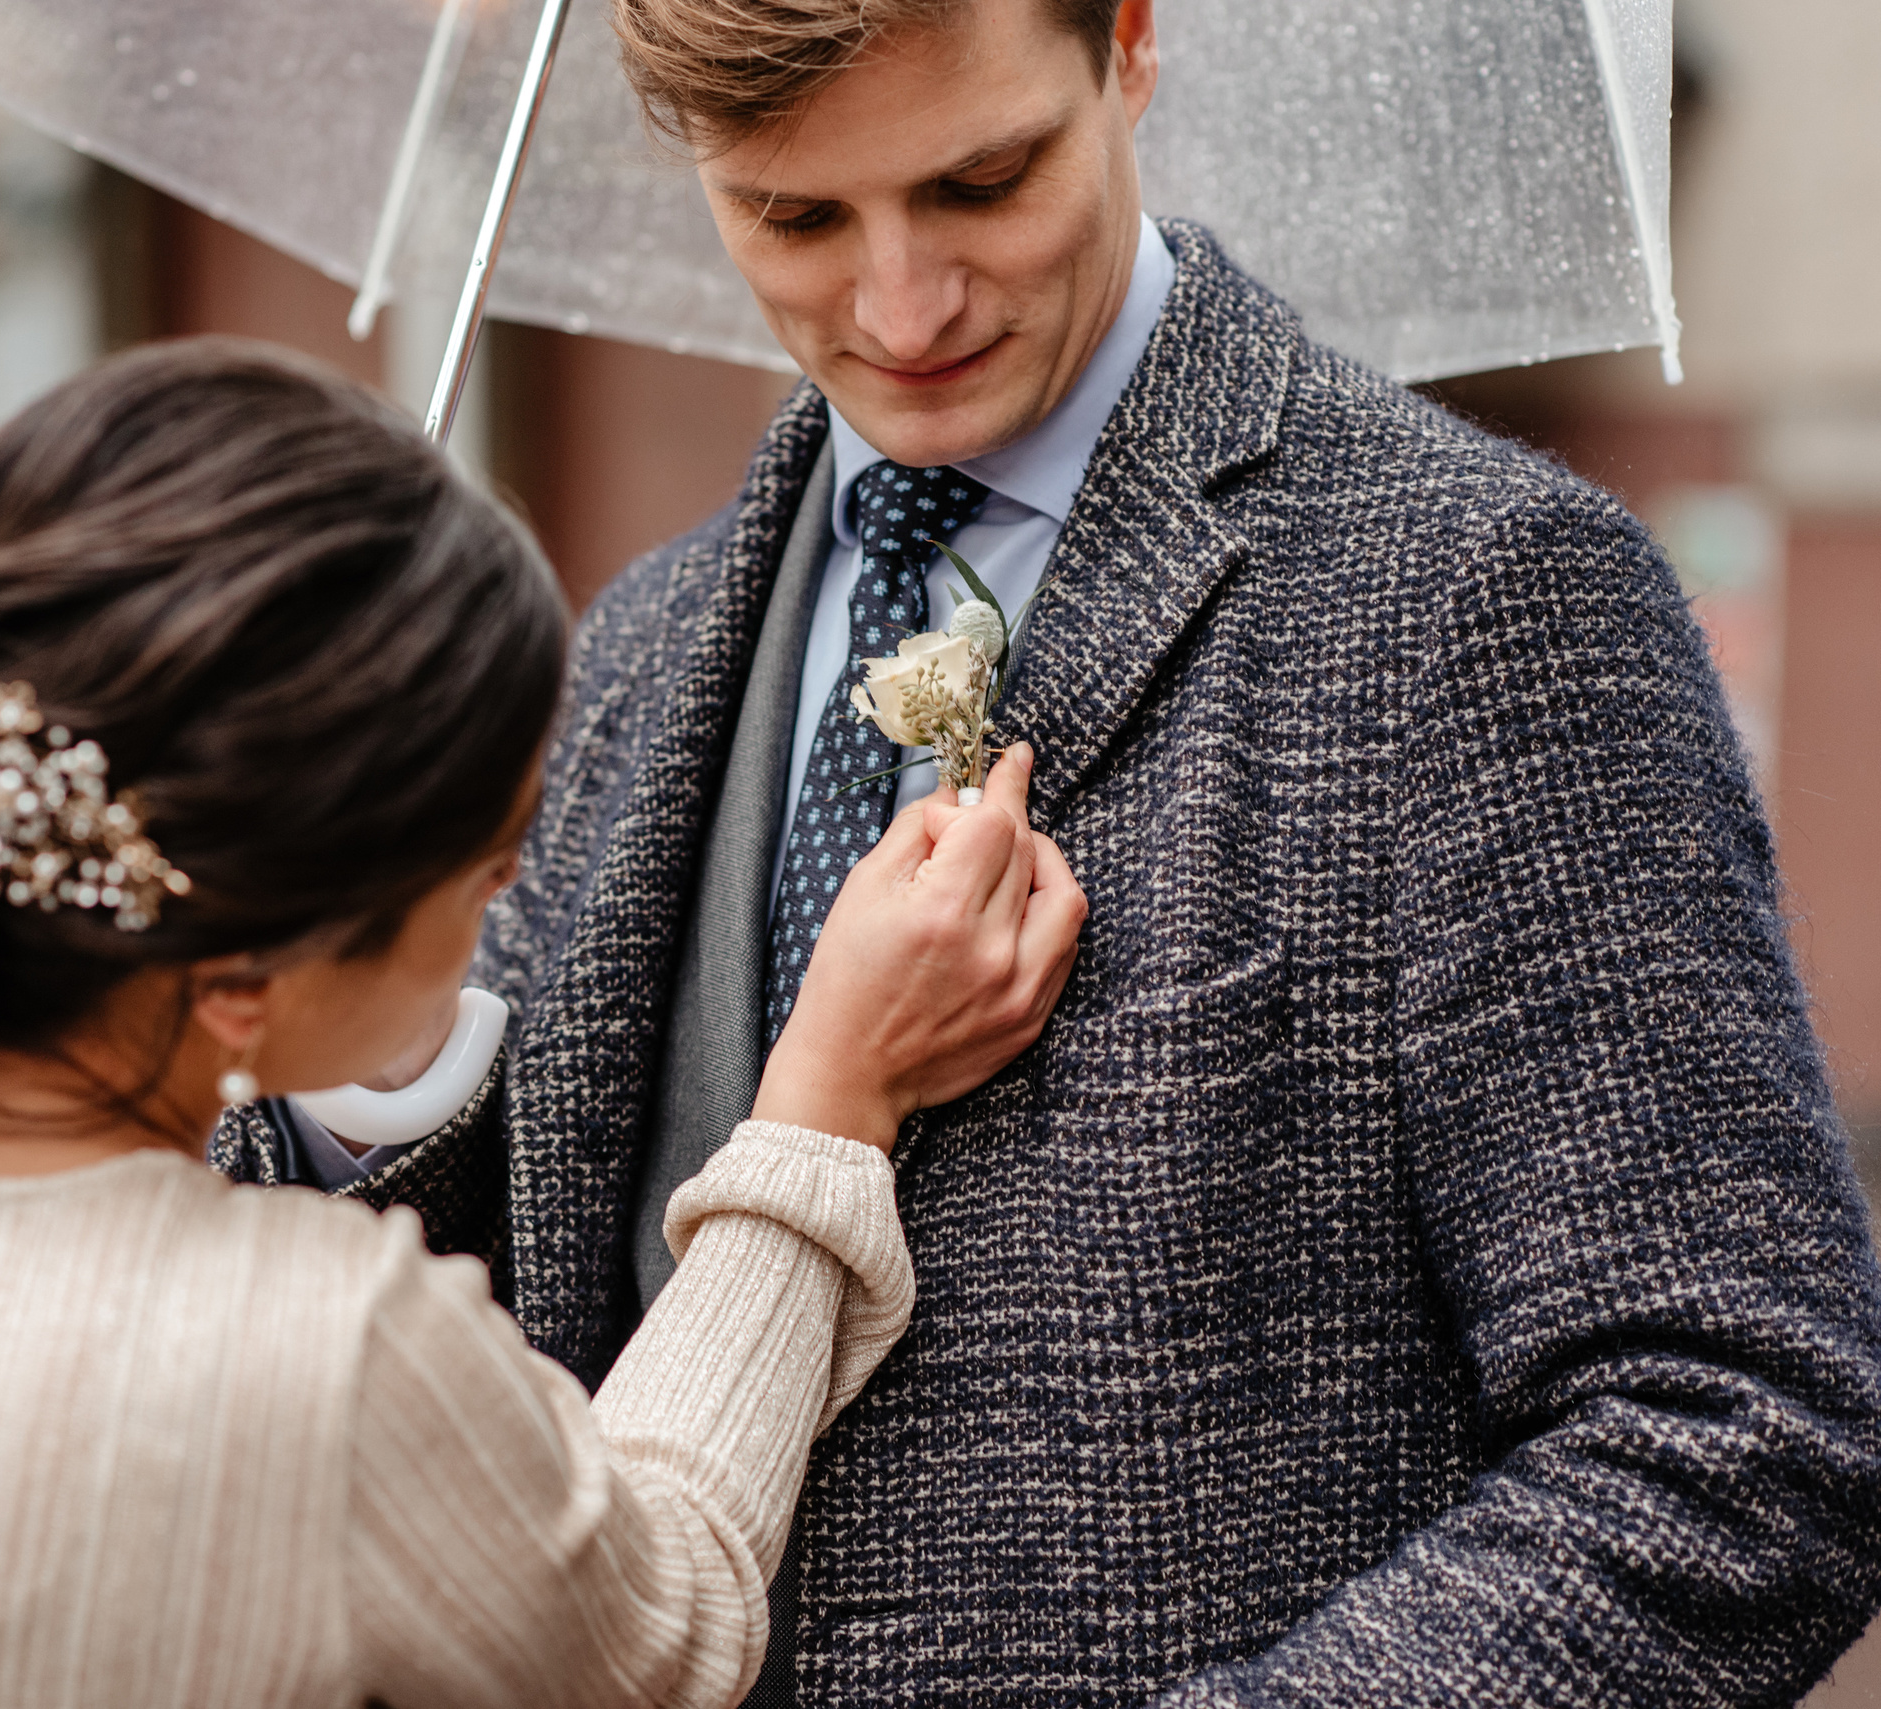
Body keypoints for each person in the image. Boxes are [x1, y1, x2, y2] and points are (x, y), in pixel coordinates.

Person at [222, 0, 1881, 1702]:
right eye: (795, 218)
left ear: (1133, 43)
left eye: (983, 181)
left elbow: (1744, 1425)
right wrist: (368, 1053)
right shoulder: (635, 651)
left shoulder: (1478, 594)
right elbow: (499, 1368)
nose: (900, 305)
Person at [0, 341, 1087, 1705]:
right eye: (488, 870)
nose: (506, 921)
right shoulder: (311, 1358)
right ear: (247, 976)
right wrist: (827, 1104)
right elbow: (668, 1618)